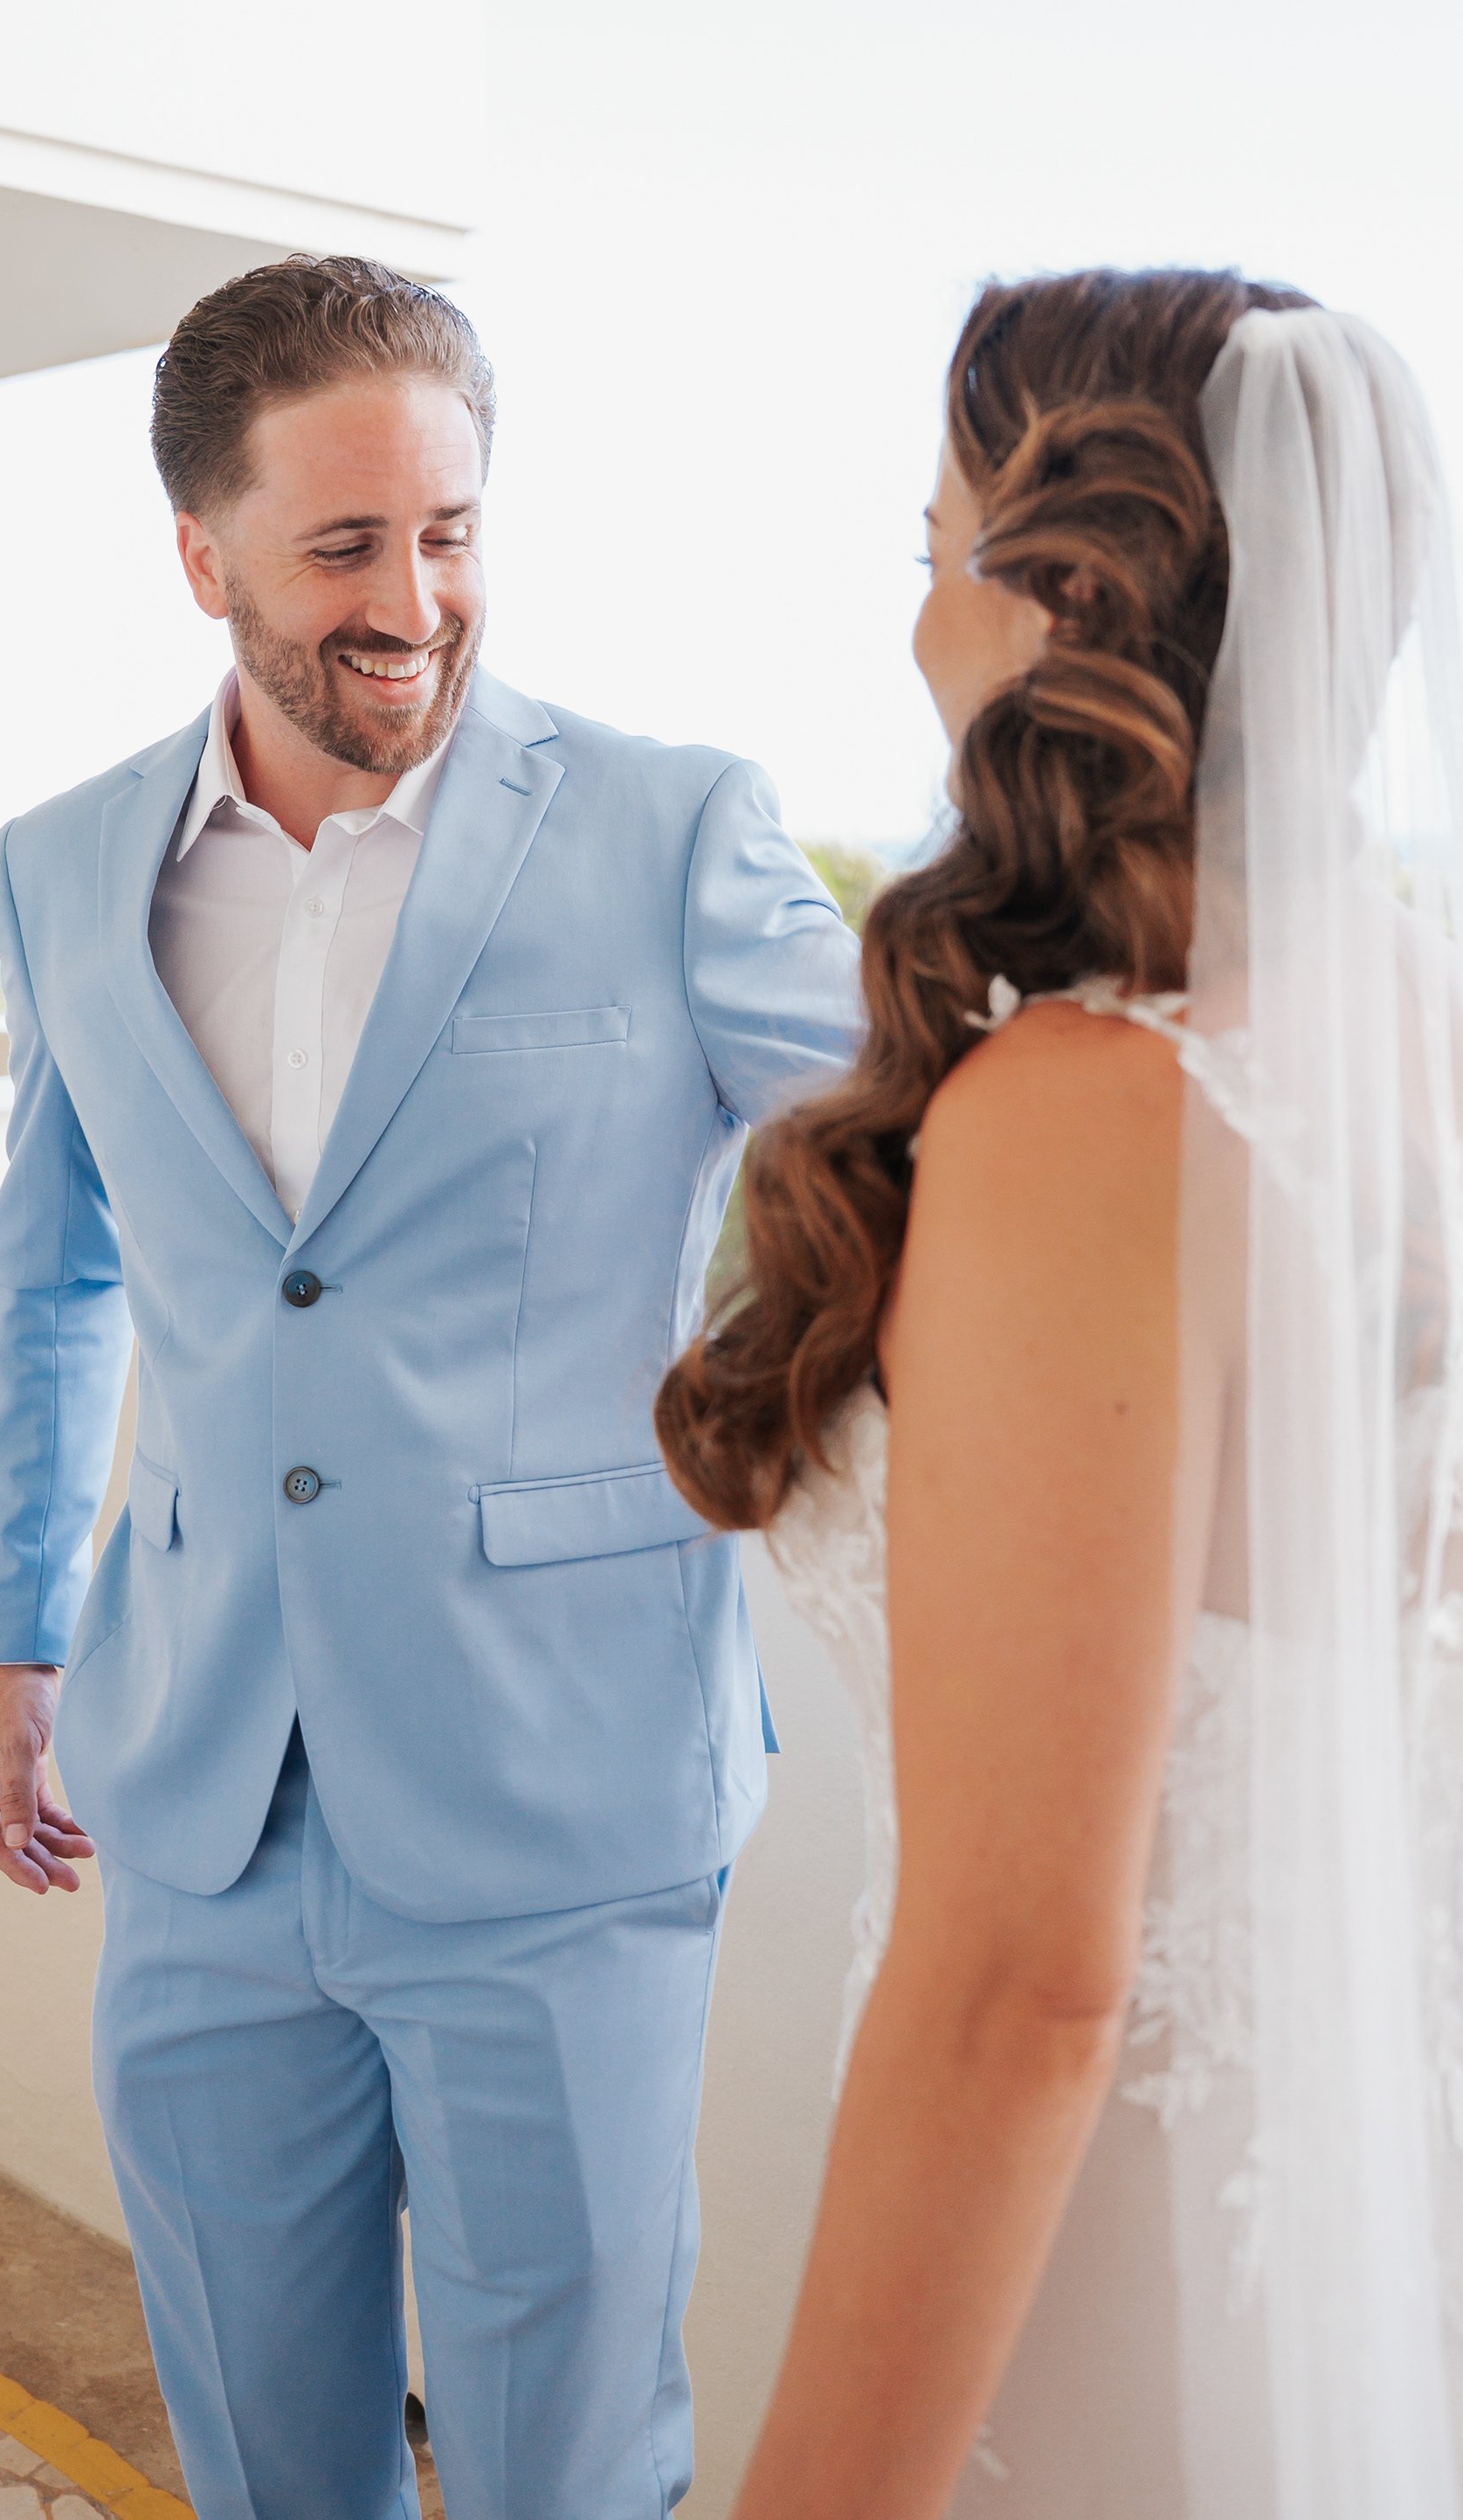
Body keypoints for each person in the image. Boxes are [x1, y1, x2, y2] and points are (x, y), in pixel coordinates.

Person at [0, 254, 860, 2520]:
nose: (415, 602)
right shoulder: (63, 869)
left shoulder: (674, 824)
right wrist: (14, 1632)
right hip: (196, 1800)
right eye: (345, 545)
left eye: (450, 532)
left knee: (569, 2467)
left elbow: (913, 1159)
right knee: (267, 2455)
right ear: (203, 557)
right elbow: (55, 1268)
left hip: (566, 1791)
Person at [658, 267, 1463, 2517]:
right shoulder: (1417, 1015)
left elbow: (1027, 1984)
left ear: (1062, 599)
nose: (915, 619)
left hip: (1128, 2289)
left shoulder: (1091, 1117)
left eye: (934, 551)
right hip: (1369, 2206)